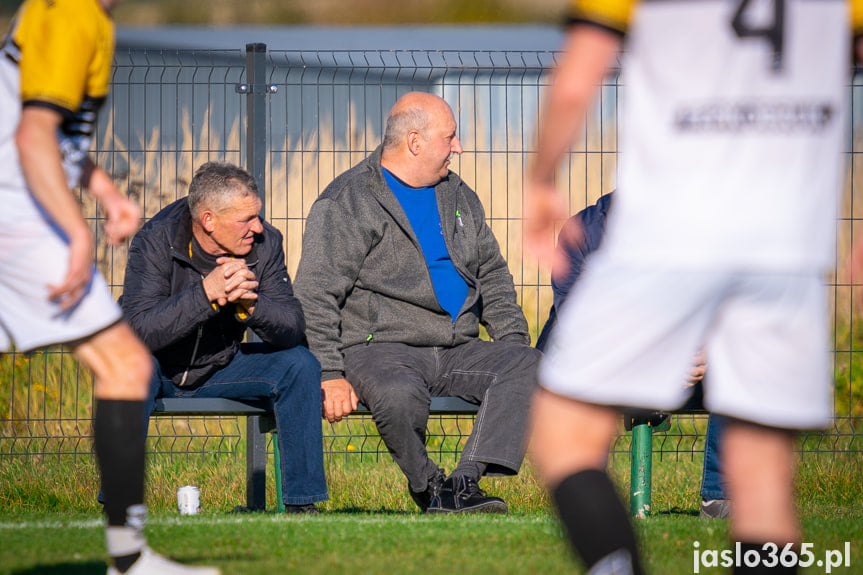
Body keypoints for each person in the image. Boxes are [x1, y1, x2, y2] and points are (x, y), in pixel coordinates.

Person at [524, 2, 858, 574]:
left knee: (561, 428)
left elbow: (578, 80)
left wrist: (541, 178)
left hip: (674, 225)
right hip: (783, 240)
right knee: (761, 481)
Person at [0, 1, 219, 574]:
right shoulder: (73, 14)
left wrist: (102, 188)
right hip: (16, 218)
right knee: (126, 367)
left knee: (123, 368)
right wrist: (76, 233)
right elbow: (30, 136)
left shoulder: (77, 15)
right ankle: (129, 560)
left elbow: (52, 133)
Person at [294, 91, 540, 514]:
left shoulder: (458, 194)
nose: (459, 148)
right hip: (380, 349)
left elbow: (493, 275)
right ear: (415, 142)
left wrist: (512, 341)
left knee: (530, 364)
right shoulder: (349, 200)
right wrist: (330, 370)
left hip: (456, 346)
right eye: (451, 137)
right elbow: (315, 292)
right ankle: (429, 486)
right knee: (396, 393)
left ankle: (464, 483)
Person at [120, 161, 327, 515]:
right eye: (245, 219)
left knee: (299, 364)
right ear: (209, 220)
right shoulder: (156, 240)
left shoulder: (265, 244)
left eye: (257, 216)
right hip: (158, 367)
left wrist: (251, 307)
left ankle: (302, 506)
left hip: (222, 365)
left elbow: (292, 326)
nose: (257, 227)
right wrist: (206, 294)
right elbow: (136, 331)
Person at [535, 193, 730, 520]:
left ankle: (720, 499)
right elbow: (577, 324)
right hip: (601, 360)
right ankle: (588, 503)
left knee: (734, 368)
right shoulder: (580, 231)